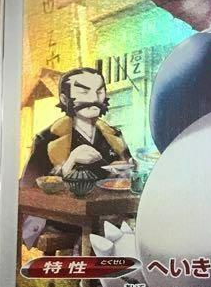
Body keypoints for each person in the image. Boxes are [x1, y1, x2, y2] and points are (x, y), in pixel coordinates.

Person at [21, 67, 131, 252]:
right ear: (65, 99)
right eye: (84, 91)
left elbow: (129, 172)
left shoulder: (113, 136)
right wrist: (69, 163)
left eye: (99, 91)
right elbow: (28, 188)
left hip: (110, 212)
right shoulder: (48, 138)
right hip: (62, 217)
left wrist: (124, 170)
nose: (94, 98)